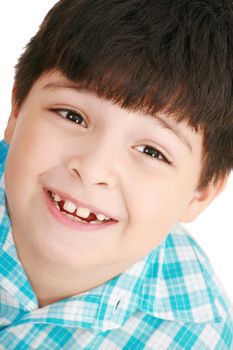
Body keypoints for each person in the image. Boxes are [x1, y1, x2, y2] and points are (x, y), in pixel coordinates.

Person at [0, 0, 233, 348]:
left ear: (201, 193)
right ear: (16, 110)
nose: (93, 169)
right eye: (71, 115)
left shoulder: (199, 339)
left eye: (152, 152)